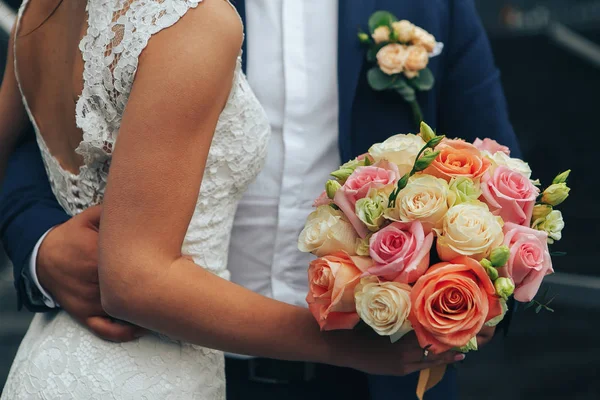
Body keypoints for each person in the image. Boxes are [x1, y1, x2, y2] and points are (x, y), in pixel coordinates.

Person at [0, 0, 468, 399]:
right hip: (153, 365)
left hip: (54, 364)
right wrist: (348, 346)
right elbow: (135, 282)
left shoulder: (38, 11)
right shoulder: (193, 19)